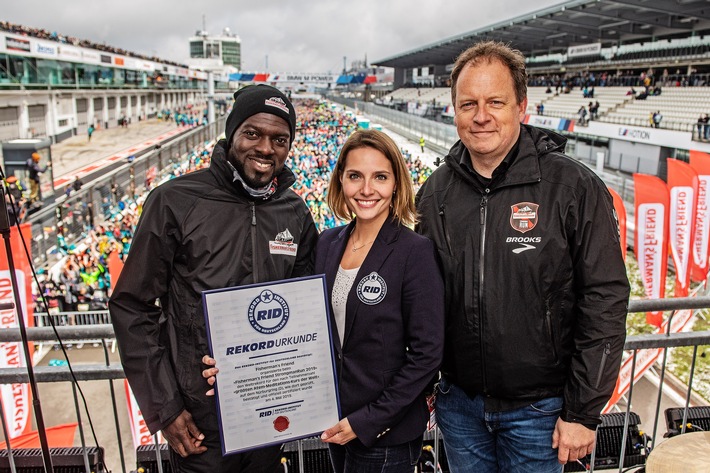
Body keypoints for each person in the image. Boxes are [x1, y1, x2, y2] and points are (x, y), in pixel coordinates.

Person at [415, 41, 629, 472]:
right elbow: (421, 298)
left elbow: (604, 301)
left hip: (542, 415)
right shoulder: (434, 193)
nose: (481, 116)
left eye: (495, 102)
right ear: (454, 111)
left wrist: (583, 412)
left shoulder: (573, 188)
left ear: (522, 107)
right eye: (468, 103)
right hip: (460, 410)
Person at [203, 129, 445, 473]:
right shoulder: (328, 244)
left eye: (380, 177)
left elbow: (427, 354)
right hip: (334, 423)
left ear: (396, 184)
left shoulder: (415, 252)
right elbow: (296, 325)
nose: (366, 189)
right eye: (355, 176)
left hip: (384, 433)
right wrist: (233, 362)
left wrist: (367, 421)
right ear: (341, 182)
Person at [109, 84, 318, 473]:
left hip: (268, 413)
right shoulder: (174, 201)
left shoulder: (295, 211)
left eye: (280, 139)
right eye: (253, 133)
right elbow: (131, 305)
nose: (266, 149)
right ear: (232, 134)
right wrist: (165, 407)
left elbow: (306, 310)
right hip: (200, 422)